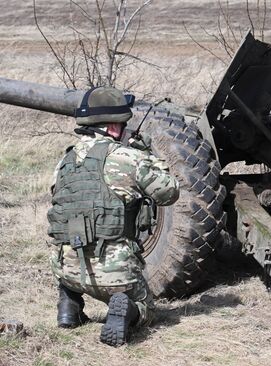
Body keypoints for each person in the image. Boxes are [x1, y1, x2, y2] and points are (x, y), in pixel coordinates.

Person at [47, 86, 180, 346]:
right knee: (147, 309)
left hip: (68, 270)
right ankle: (127, 309)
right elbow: (169, 192)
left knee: (70, 262)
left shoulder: (64, 161)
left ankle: (69, 305)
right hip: (115, 275)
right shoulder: (126, 157)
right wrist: (146, 155)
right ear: (112, 128)